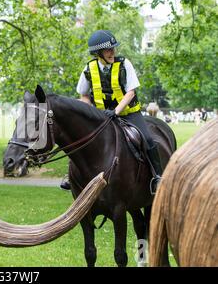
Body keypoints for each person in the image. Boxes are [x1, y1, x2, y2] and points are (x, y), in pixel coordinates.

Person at [62, 30, 163, 194]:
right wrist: (91, 112)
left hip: (129, 113)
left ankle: (157, 176)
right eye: (108, 49)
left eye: (113, 48)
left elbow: (131, 92)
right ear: (98, 53)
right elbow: (83, 95)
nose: (112, 52)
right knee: (79, 139)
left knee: (147, 138)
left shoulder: (124, 64)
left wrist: (115, 111)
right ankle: (70, 176)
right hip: (101, 116)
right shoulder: (89, 68)